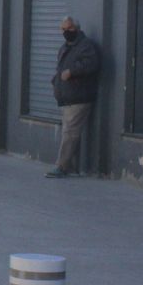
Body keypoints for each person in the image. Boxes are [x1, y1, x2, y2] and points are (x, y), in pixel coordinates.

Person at [47, 15, 101, 178]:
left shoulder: (85, 46)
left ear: (77, 29)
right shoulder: (65, 47)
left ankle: (62, 166)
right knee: (71, 132)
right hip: (67, 97)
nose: (66, 32)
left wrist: (72, 71)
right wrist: (56, 80)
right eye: (63, 29)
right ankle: (71, 167)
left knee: (70, 132)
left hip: (79, 96)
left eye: (69, 29)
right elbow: (60, 68)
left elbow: (91, 64)